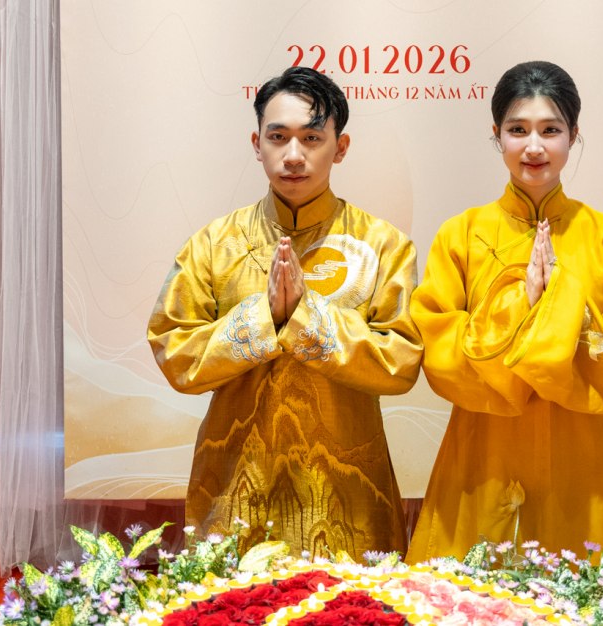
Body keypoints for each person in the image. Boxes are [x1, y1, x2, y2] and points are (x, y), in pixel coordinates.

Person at [147, 67, 422, 558]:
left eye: (312, 138)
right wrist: (262, 319)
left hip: (348, 485)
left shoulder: (383, 246)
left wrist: (303, 316)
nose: (294, 155)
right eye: (279, 137)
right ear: (257, 143)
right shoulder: (214, 244)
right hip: (235, 479)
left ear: (340, 147)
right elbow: (174, 350)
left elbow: (401, 361)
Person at [406, 61, 603, 563]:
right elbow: (437, 347)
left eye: (551, 130)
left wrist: (570, 315)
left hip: (582, 446)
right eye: (518, 130)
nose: (534, 146)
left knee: (588, 599)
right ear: (496, 135)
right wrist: (520, 305)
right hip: (486, 444)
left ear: (574, 135)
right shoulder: (461, 235)